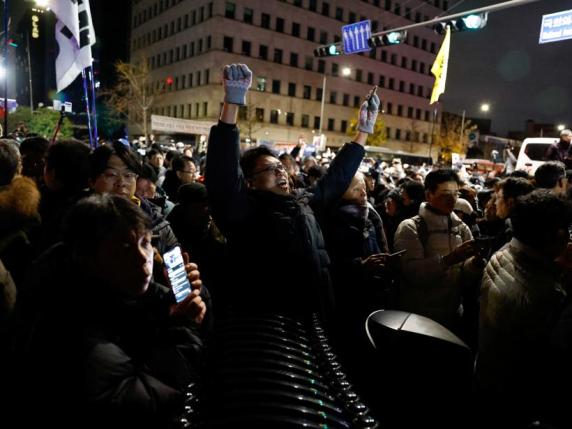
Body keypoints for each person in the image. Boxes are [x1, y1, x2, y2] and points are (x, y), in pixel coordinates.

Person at [12, 194, 206, 429]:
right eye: (123, 249)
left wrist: (187, 299)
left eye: (145, 243)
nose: (142, 260)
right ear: (86, 257)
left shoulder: (129, 290)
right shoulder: (71, 331)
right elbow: (148, 401)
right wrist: (184, 328)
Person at [205, 63, 379, 320]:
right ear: (249, 182)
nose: (281, 173)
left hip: (317, 319)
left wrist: (363, 133)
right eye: (270, 170)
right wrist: (231, 106)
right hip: (271, 332)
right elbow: (223, 176)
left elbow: (336, 178)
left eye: (281, 168)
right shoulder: (244, 213)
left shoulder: (304, 203)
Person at [476, 190, 570, 427]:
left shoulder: (505, 251)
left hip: (488, 369)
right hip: (517, 394)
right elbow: (550, 363)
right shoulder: (547, 292)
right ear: (558, 235)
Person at [393, 169, 482, 333]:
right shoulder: (410, 227)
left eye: (456, 194)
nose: (452, 200)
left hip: (452, 316)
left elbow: (464, 276)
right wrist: (450, 259)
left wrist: (475, 264)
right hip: (417, 318)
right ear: (428, 195)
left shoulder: (461, 229)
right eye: (445, 194)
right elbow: (413, 274)